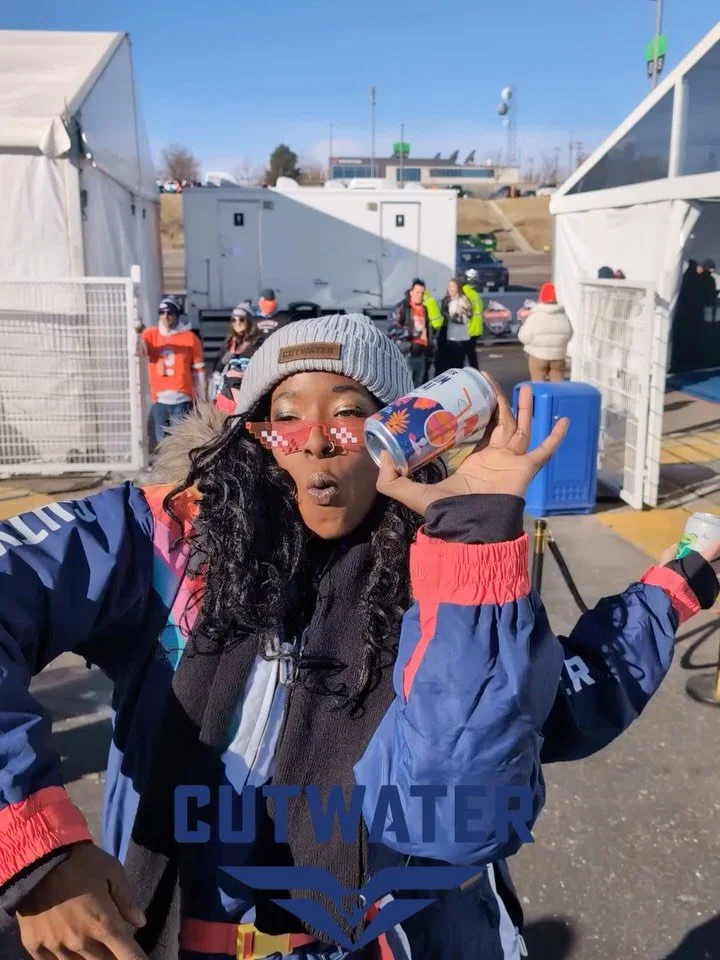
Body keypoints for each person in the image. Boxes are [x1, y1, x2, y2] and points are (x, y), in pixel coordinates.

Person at [1, 314, 718, 960]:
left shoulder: (448, 572)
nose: (315, 440)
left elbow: (472, 798)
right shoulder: (163, 541)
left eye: (349, 414)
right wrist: (34, 848)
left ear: (397, 433)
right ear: (252, 433)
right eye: (286, 415)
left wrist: (480, 547)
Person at [140, 296, 206, 448]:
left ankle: (178, 469)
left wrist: (202, 397)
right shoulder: (151, 335)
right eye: (162, 312)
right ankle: (164, 469)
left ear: (176, 315)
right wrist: (136, 334)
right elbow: (137, 352)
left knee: (181, 439)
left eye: (169, 312)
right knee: (161, 441)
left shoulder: (189, 338)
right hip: (160, 397)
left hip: (182, 396)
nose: (165, 316)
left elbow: (199, 370)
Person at [390, 278, 443, 385]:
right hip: (406, 353)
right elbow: (392, 330)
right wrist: (414, 333)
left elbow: (427, 330)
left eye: (422, 293)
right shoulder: (402, 307)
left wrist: (431, 348)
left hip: (422, 354)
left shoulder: (424, 309)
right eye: (417, 292)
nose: (420, 295)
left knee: (419, 385)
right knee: (406, 385)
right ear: (411, 292)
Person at [518, 282, 573, 382]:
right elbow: (569, 334)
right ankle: (557, 397)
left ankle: (540, 397)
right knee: (558, 386)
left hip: (538, 356)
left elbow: (523, 337)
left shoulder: (535, 316)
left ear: (541, 298)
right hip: (558, 356)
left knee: (538, 384)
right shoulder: (563, 316)